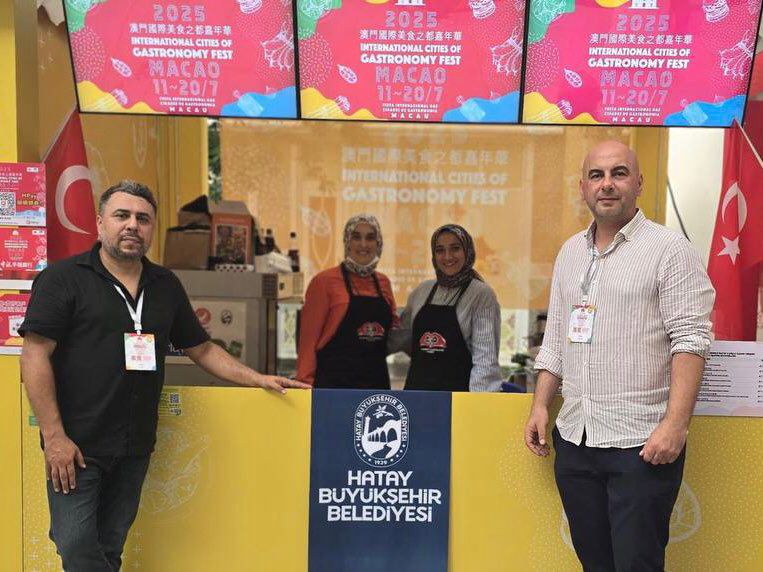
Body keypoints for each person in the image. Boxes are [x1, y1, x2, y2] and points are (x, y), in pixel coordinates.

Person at [19, 180, 309, 571]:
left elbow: (202, 349)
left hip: (134, 443)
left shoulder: (165, 285)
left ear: (152, 228)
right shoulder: (64, 278)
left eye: (143, 219)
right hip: (76, 444)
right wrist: (54, 437)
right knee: (75, 543)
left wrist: (258, 378)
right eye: (122, 215)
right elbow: (35, 354)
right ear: (100, 223)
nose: (132, 225)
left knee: (110, 546)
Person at [524, 141, 714, 571]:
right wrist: (540, 405)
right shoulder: (570, 252)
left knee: (635, 565)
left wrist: (675, 426)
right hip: (576, 440)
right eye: (597, 175)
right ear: (583, 187)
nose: (606, 184)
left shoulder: (670, 250)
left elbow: (691, 341)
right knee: (595, 564)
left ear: (639, 183)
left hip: (642, 445)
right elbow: (556, 338)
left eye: (619, 173)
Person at [389, 224, 502, 392]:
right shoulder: (422, 291)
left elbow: (485, 362)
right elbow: (402, 338)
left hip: (457, 400)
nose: (447, 256)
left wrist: (476, 403)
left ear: (467, 251)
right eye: (440, 250)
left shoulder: (481, 295)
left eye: (455, 248)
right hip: (417, 395)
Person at [296, 214, 397, 389]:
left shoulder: (384, 283)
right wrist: (305, 386)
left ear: (378, 244)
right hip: (334, 387)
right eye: (356, 237)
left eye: (370, 238)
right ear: (347, 242)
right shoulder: (324, 281)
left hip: (376, 386)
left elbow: (392, 333)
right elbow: (308, 342)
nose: (363, 244)